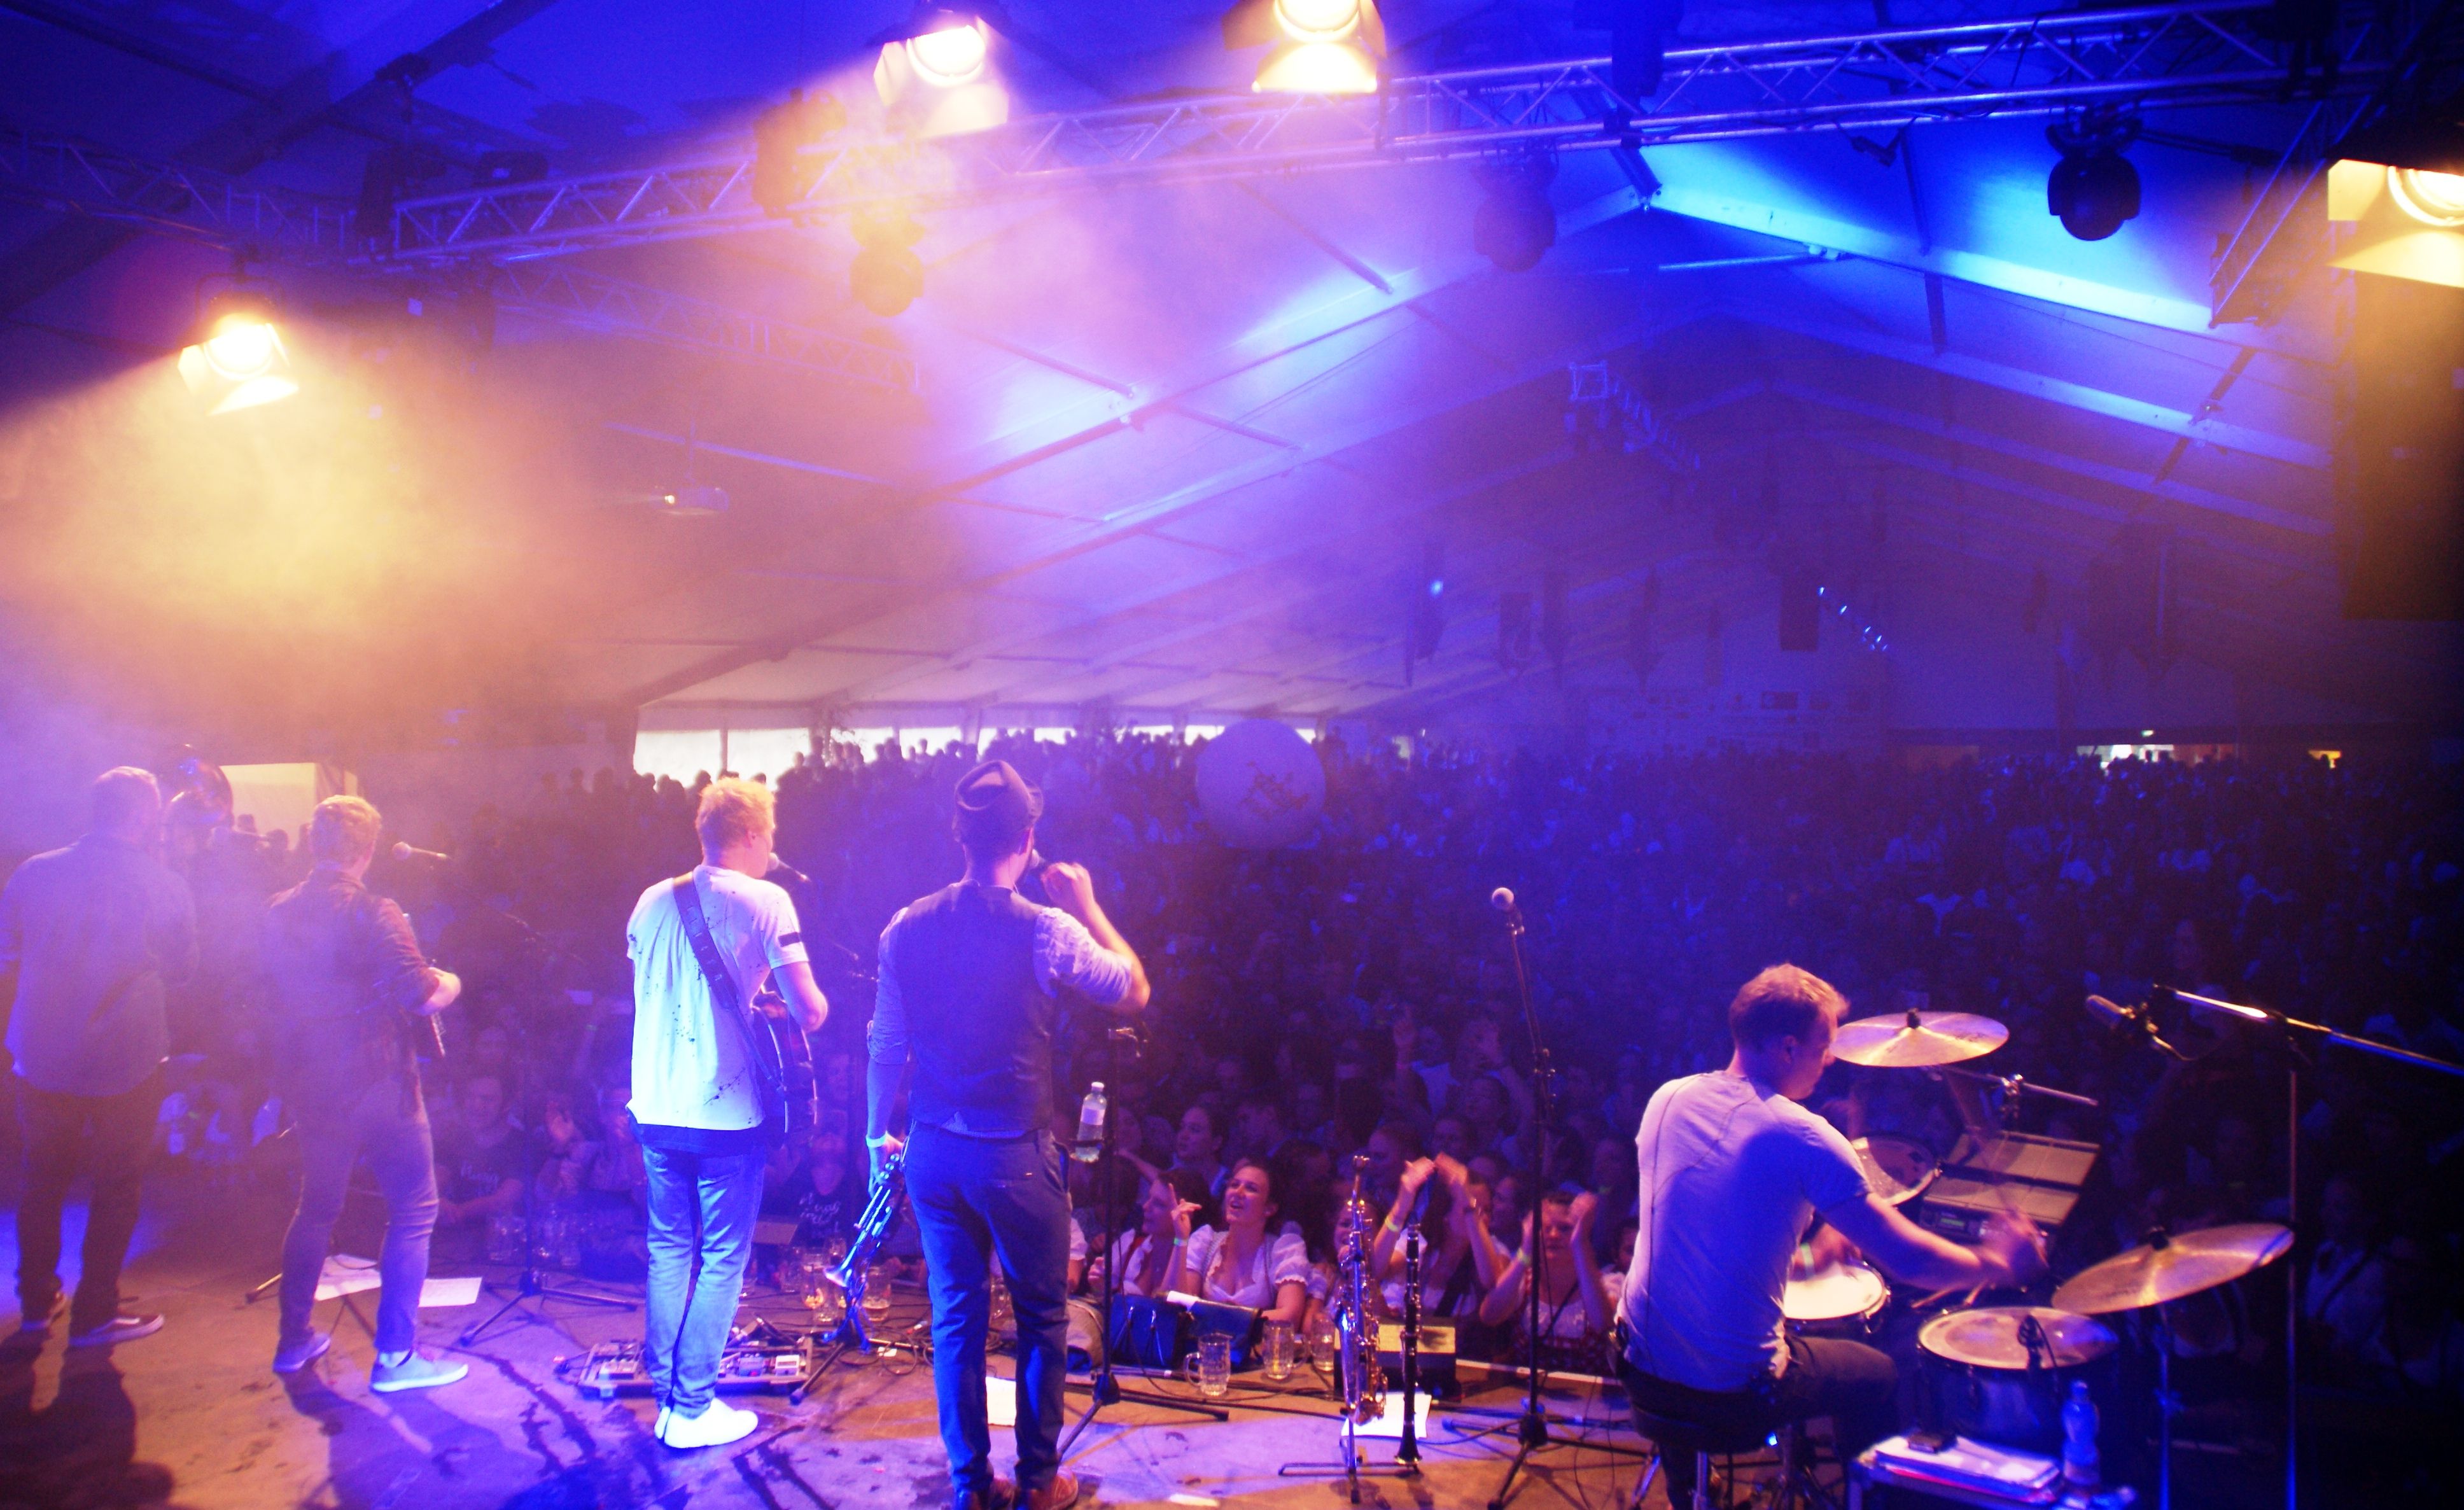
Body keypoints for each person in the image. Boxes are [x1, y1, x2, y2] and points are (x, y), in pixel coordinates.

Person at [1616, 965, 2043, 1507]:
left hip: (1636, 1366)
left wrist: (1809, 1256)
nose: (1831, 1060)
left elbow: (1710, 1235)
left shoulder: (1668, 1099)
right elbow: (1909, 1259)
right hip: (1732, 1392)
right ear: (1788, 1048)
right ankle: (1865, 1500)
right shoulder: (1803, 1135)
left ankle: (1688, 1488)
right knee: (1879, 1374)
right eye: (1824, 1046)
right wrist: (1999, 1261)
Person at [867, 760, 1149, 1510]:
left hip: (932, 1151)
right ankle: (1036, 1483)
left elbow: (884, 1044)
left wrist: (872, 1136)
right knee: (1041, 1318)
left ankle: (969, 1485)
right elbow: (1134, 990)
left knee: (956, 1318)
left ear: (957, 836)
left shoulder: (903, 924)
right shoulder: (1048, 930)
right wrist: (1088, 905)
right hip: (1011, 1156)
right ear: (1026, 839)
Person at [626, 777, 829, 1450]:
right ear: (750, 834)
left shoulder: (650, 899)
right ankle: (690, 1408)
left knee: (668, 1246)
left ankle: (667, 1394)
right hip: (723, 1113)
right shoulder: (767, 900)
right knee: (721, 1257)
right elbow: (810, 1011)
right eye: (769, 836)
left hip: (656, 1103)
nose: (773, 848)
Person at [261, 796, 465, 1389]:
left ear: (312, 844)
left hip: (311, 1080)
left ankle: (293, 1341)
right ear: (369, 851)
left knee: (316, 1208)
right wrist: (451, 980)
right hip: (377, 1080)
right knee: (414, 1208)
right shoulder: (374, 910)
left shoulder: (276, 910)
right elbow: (421, 993)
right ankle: (396, 1357)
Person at [3, 767, 196, 1345]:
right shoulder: (163, 881)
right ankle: (95, 1312)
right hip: (126, 1056)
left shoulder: (34, 871)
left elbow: (7, 952)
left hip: (43, 1050)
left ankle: (36, 1304)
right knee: (117, 1184)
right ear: (142, 814)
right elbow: (183, 970)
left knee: (42, 1179)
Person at [1165, 1157, 1312, 1324]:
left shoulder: (1283, 1250)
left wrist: (1216, 1317)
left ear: (1269, 1208)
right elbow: (1178, 1305)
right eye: (1234, 1185)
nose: (1238, 1192)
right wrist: (1181, 1239)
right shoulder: (1205, 1241)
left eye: (1251, 1189)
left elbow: (1289, 1318)